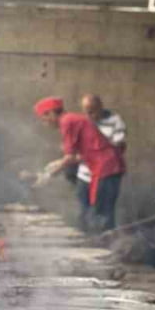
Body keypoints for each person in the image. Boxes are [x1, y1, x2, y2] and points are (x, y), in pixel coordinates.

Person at [33, 97, 125, 227]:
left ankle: (105, 238)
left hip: (106, 167)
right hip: (103, 167)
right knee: (95, 212)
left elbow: (70, 157)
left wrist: (48, 175)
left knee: (102, 214)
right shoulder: (72, 119)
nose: (45, 123)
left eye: (44, 118)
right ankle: (98, 236)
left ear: (52, 113)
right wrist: (58, 163)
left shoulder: (67, 122)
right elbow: (88, 150)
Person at [75, 94, 127, 232]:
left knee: (105, 213)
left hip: (106, 175)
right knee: (83, 211)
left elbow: (118, 146)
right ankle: (85, 240)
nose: (89, 115)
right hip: (84, 175)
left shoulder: (115, 121)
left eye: (92, 111)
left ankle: (106, 241)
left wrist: (95, 149)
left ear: (100, 107)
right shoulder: (82, 122)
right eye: (86, 111)